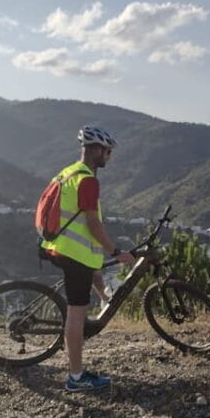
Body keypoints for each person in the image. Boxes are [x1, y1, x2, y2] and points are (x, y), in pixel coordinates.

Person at [41, 125, 134, 391]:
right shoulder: (88, 180)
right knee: (76, 314)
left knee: (90, 277)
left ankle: (104, 297)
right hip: (73, 251)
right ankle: (76, 377)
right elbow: (93, 223)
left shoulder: (69, 172)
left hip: (58, 244)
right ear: (95, 150)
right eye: (107, 151)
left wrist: (104, 293)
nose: (109, 156)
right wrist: (115, 251)